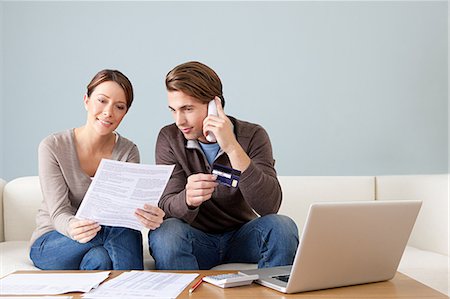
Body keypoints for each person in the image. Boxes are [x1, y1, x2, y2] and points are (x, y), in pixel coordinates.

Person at [149, 61, 299, 270]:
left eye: (187, 109)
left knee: (282, 227)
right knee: (166, 233)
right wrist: (187, 199)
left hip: (242, 237)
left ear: (214, 105)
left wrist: (232, 147)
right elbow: (166, 206)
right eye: (173, 110)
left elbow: (270, 206)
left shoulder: (253, 135)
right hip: (195, 240)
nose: (179, 120)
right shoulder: (170, 138)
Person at [29, 69, 165, 270]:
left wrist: (147, 215)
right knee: (119, 231)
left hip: (100, 242)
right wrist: (74, 227)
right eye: (102, 101)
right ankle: (135, 286)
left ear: (124, 113)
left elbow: (123, 211)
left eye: (119, 107)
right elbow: (58, 213)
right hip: (54, 241)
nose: (109, 112)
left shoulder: (128, 151)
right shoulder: (53, 146)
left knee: (101, 258)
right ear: (86, 100)